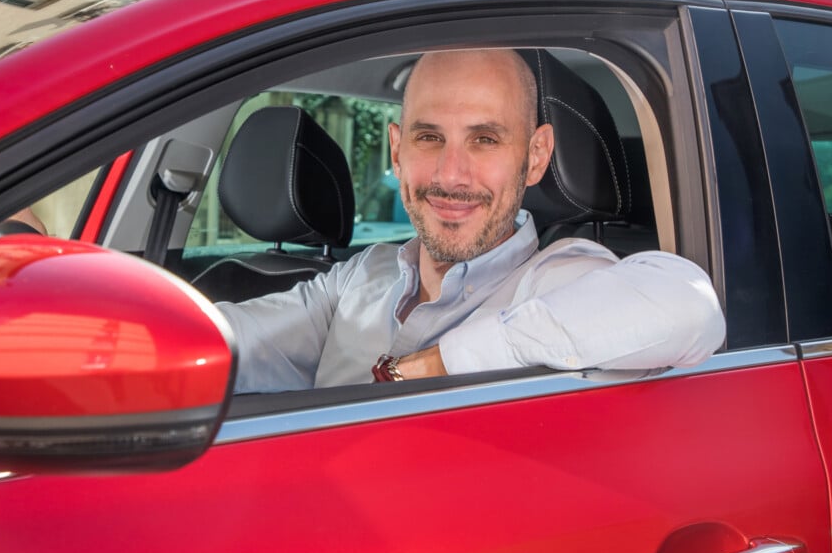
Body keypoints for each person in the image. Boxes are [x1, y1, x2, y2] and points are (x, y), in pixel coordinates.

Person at [216, 48, 726, 392]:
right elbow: (230, 342)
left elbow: (690, 309)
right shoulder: (363, 273)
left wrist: (439, 366)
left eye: (485, 139)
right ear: (397, 150)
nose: (450, 174)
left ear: (536, 156)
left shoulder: (556, 280)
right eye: (429, 138)